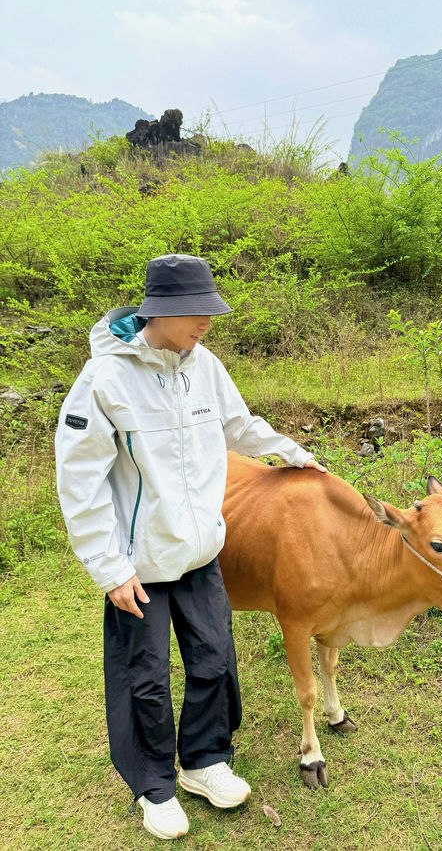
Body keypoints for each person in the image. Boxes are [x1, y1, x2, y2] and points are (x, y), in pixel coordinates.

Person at [54, 253, 327, 840]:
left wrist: (289, 450)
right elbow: (78, 482)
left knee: (213, 660)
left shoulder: (203, 364)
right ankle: (154, 787)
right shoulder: (104, 380)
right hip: (140, 564)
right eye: (196, 311)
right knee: (144, 676)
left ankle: (205, 761)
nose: (208, 321)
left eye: (211, 310)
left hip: (201, 552)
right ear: (160, 311)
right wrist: (108, 567)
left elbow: (237, 423)